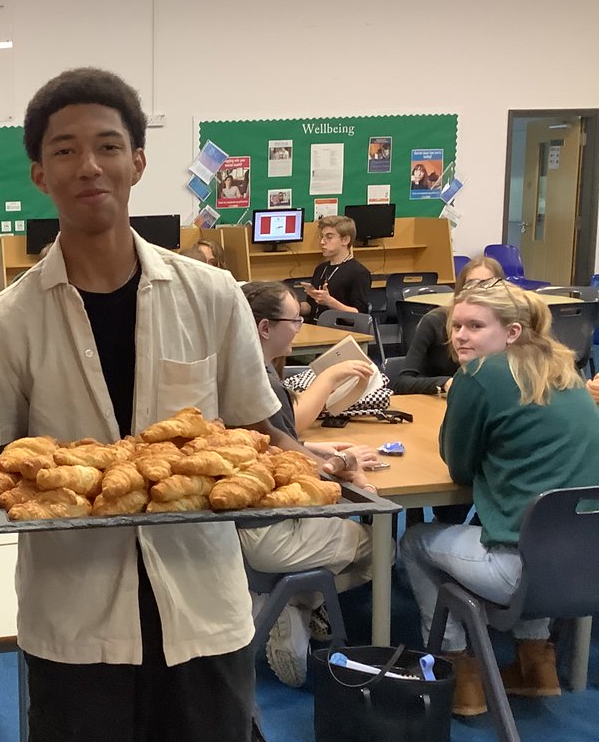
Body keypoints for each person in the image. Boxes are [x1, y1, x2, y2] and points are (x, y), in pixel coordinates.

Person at [0, 67, 366, 742]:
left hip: (204, 617)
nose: (89, 166)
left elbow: (255, 430)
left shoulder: (209, 294)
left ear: (138, 162)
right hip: (75, 625)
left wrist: (308, 460)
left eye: (108, 146)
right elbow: (1, 471)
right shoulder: (5, 321)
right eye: (65, 150)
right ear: (38, 172)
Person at [399, 281, 599, 717]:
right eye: (456, 326)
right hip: (587, 567)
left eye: (475, 326)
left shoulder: (479, 375)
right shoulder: (566, 369)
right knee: (534, 528)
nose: (460, 336)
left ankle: (458, 672)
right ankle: (536, 665)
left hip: (518, 574)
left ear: (511, 332)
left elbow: (458, 466)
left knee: (413, 541)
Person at [239, 281, 378, 686]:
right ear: (265, 327)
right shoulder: (259, 381)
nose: (300, 326)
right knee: (383, 547)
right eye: (294, 320)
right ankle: (295, 602)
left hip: (250, 523)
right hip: (272, 529)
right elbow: (280, 456)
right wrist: (342, 462)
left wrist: (315, 449)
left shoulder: (248, 371)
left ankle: (293, 599)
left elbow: (274, 443)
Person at [393, 255, 506, 396]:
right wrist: (445, 383)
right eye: (470, 284)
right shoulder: (434, 321)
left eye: (486, 285)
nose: (477, 291)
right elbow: (402, 382)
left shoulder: (504, 327)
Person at [298, 215, 371, 321]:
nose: (322, 242)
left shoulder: (359, 273)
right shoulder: (321, 269)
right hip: (316, 329)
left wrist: (329, 301)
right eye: (322, 237)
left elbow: (359, 316)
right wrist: (292, 307)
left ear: (345, 240)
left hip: (342, 331)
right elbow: (311, 307)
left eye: (329, 237)